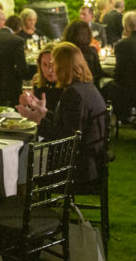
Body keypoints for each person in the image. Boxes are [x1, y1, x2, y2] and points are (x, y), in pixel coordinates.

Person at [17, 42, 108, 185]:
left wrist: (39, 121)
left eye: (55, 64)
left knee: (22, 154)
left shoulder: (74, 94)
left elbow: (67, 138)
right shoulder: (86, 87)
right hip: (90, 162)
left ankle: (21, 197)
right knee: (26, 151)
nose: (52, 69)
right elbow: (69, 123)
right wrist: (44, 112)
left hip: (76, 168)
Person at [31, 43, 63, 114]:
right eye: (44, 65)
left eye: (52, 65)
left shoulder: (67, 85)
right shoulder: (37, 80)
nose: (49, 70)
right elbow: (34, 110)